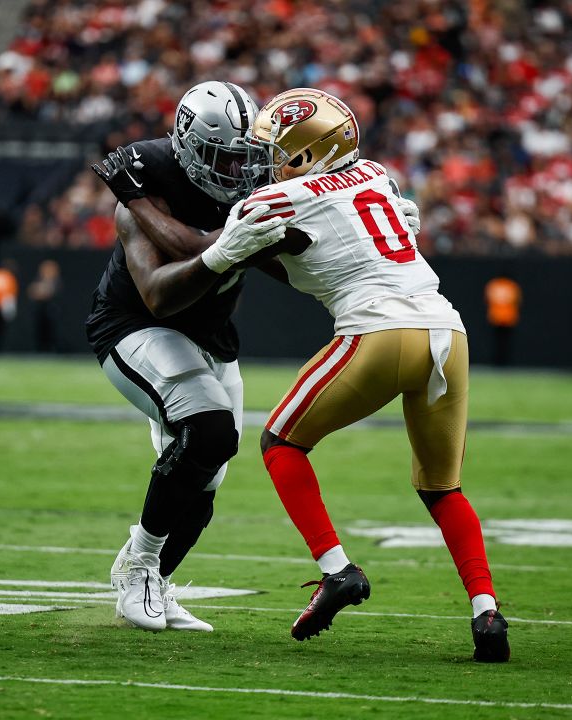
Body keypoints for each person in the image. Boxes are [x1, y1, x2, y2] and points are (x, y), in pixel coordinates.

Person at [128, 88, 508, 662]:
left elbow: (210, 250)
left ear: (309, 153)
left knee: (280, 442)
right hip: (447, 332)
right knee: (442, 487)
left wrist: (133, 198)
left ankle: (337, 570)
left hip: (377, 332)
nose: (265, 162)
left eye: (278, 150)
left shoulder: (277, 200)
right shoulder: (380, 176)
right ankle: (486, 612)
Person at [86, 80, 285, 633]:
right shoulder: (148, 181)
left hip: (210, 335)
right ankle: (138, 567)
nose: (239, 172)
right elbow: (156, 291)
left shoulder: (256, 182)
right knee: (212, 431)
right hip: (138, 324)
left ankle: (153, 577)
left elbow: (293, 251)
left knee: (208, 476)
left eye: (247, 159)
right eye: (224, 157)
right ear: (189, 146)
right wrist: (223, 250)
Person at [484, 274, 521, 366]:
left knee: (498, 341)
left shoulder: (494, 284)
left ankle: (498, 362)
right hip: (508, 317)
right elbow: (517, 299)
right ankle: (504, 362)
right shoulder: (511, 285)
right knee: (505, 342)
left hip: (496, 316)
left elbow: (488, 298)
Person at [28, 259, 62, 352]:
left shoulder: (55, 281)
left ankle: (50, 350)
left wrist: (42, 291)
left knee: (51, 333)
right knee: (39, 332)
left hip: (50, 311)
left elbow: (48, 292)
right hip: (39, 312)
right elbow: (32, 291)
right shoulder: (38, 279)